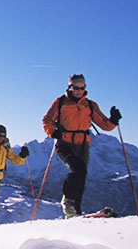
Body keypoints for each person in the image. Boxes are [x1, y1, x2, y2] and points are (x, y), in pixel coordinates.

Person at [42, 73, 121, 217]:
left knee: (81, 176)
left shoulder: (90, 105)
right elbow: (47, 120)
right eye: (76, 88)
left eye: (82, 88)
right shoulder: (60, 102)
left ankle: (75, 212)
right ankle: (68, 201)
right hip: (64, 142)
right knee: (78, 169)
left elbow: (104, 125)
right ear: (70, 87)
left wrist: (114, 120)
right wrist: (53, 132)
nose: (79, 91)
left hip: (83, 144)